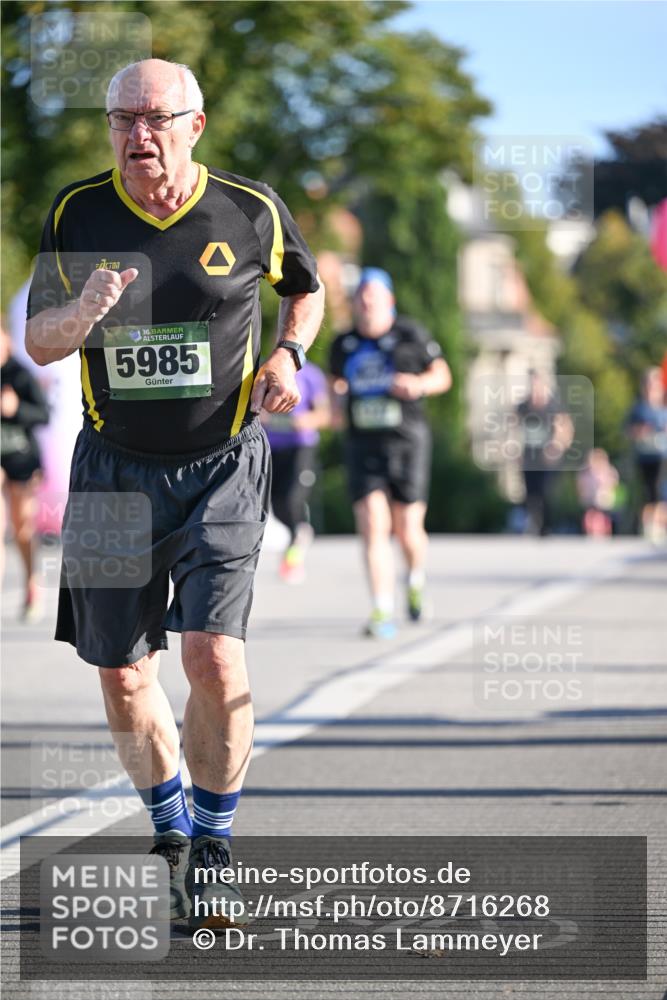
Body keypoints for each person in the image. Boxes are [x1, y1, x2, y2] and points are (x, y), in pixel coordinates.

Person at [25, 59, 324, 927]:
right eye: (122, 118)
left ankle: (215, 845)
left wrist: (287, 356)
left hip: (221, 464)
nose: (137, 135)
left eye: (154, 118)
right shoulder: (77, 211)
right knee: (123, 673)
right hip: (112, 468)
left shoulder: (249, 209)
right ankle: (169, 826)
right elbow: (40, 342)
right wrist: (82, 313)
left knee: (213, 657)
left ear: (195, 125)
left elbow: (304, 292)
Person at [329, 268, 451, 638]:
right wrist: (336, 401)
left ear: (389, 302)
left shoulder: (410, 334)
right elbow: (335, 385)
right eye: (361, 296)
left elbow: (443, 376)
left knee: (408, 528)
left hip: (407, 442)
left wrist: (418, 384)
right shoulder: (343, 343)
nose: (367, 302)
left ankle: (414, 580)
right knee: (371, 524)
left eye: (374, 296)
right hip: (363, 443)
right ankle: (381, 609)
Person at [262, 360, 330, 582]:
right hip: (272, 447)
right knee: (275, 501)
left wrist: (304, 421)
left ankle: (296, 544)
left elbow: (324, 415)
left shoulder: (311, 374)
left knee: (292, 498)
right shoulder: (266, 369)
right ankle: (295, 537)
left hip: (301, 446)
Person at [1, 324, 50, 619]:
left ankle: (32, 582)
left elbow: (43, 414)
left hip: (21, 459)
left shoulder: (20, 374)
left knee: (21, 528)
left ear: (7, 341)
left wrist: (16, 408)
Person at [516, 371, 574, 536]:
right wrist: (514, 450)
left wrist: (555, 447)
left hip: (548, 458)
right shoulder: (523, 407)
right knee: (531, 493)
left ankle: (546, 526)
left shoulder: (554, 406)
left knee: (546, 492)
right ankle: (533, 523)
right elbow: (514, 427)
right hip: (529, 457)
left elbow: (566, 429)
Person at [626, 366, 667, 542]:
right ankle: (648, 525)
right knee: (647, 490)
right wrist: (640, 431)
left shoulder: (663, 409)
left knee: (659, 489)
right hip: (644, 455)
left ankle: (658, 525)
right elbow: (628, 430)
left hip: (661, 454)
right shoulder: (639, 409)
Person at [576, 448, 620, 537]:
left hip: (604, 500)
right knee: (590, 515)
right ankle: (591, 532)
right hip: (590, 500)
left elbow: (613, 484)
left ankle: (604, 532)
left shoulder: (609, 471)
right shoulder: (585, 473)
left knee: (601, 515)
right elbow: (581, 486)